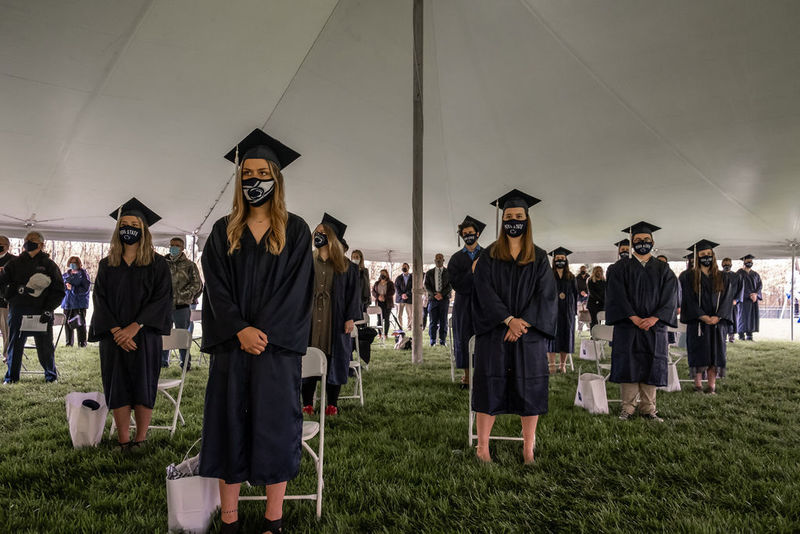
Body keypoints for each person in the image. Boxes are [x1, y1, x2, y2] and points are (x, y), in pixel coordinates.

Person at [198, 129, 313, 534]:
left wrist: (261, 334)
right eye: (247, 173)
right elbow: (215, 287)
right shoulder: (222, 231)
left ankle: (272, 520)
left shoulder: (296, 231)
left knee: (275, 428)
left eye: (262, 172)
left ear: (277, 178)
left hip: (276, 351)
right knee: (229, 424)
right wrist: (240, 330)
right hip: (233, 348)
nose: (254, 180)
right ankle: (228, 519)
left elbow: (297, 290)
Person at [472, 189, 557, 464]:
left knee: (530, 389)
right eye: (509, 216)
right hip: (496, 332)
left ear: (527, 220)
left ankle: (528, 448)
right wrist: (509, 320)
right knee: (489, 386)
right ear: (502, 220)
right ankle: (482, 448)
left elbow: (546, 294)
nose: (513, 221)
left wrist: (522, 324)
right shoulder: (489, 256)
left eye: (519, 216)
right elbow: (484, 292)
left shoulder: (540, 257)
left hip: (528, 335)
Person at [88, 198, 172, 452]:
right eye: (124, 224)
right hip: (113, 339)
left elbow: (162, 299)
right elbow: (99, 299)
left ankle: (141, 439)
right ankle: (124, 439)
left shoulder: (157, 264)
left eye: (134, 224)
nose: (128, 228)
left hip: (144, 336)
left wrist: (135, 327)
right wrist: (116, 330)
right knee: (118, 385)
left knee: (143, 384)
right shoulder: (107, 264)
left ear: (144, 230)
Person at [606, 221, 677, 422]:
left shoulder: (663, 269)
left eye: (646, 240)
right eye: (637, 240)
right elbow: (616, 296)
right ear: (631, 242)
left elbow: (670, 297)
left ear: (652, 242)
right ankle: (627, 408)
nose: (642, 243)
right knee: (628, 363)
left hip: (654, 327)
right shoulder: (619, 268)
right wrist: (634, 317)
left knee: (651, 364)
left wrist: (654, 318)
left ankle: (648, 408)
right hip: (628, 325)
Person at [301, 213, 361, 417]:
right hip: (309, 318)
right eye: (316, 232)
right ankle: (307, 403)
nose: (318, 235)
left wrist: (350, 317)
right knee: (307, 356)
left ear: (332, 237)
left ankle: (332, 404)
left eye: (323, 233)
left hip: (334, 319)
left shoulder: (346, 266)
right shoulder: (306, 260)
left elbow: (354, 294)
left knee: (334, 360)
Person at [0, 231, 64, 384]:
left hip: (41, 310)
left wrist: (49, 309)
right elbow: (2, 282)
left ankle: (50, 376)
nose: (28, 242)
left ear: (41, 244)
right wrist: (9, 296)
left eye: (32, 240)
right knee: (15, 344)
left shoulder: (49, 265)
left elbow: (59, 290)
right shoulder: (14, 263)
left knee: (45, 346)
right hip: (18, 309)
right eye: (26, 240)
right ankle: (11, 377)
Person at [680, 240, 734, 394]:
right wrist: (702, 316)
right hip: (698, 322)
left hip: (717, 323)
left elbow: (727, 299)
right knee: (698, 352)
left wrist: (718, 316)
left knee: (715, 353)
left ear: (713, 256)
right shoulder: (689, 277)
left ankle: (711, 386)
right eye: (703, 254)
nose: (706, 257)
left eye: (709, 254)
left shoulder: (723, 277)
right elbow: (688, 300)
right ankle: (697, 385)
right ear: (697, 257)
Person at [448, 215, 485, 388]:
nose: (468, 236)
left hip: (484, 303)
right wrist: (471, 271)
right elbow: (455, 283)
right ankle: (467, 376)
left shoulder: (487, 255)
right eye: (465, 233)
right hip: (463, 303)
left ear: (477, 234)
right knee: (463, 337)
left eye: (471, 233)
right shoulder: (456, 259)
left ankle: (481, 375)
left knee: (483, 337)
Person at [162, 237, 203, 369]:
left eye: (177, 245)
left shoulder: (190, 265)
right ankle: (163, 362)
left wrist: (185, 295)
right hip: (164, 306)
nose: (174, 247)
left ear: (182, 248)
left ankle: (185, 363)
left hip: (182, 307)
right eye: (172, 245)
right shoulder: (162, 263)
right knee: (164, 334)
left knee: (182, 335)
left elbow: (197, 285)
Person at [547, 247, 577, 374]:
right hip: (552, 311)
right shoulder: (548, 275)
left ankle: (563, 365)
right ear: (554, 260)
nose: (560, 260)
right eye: (558, 258)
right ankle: (552, 364)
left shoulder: (571, 276)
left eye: (562, 259)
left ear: (566, 260)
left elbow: (576, 295)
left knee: (566, 336)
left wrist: (573, 311)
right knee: (552, 336)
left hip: (567, 312)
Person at [61, 256, 91, 347]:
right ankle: (69, 343)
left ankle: (82, 343)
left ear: (79, 264)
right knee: (67, 323)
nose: (72, 264)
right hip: (67, 303)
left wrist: (73, 288)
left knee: (80, 323)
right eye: (71, 262)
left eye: (75, 262)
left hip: (79, 304)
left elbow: (85, 289)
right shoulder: (66, 275)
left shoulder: (84, 275)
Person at [424, 253, 452, 347]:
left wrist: (442, 294)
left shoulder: (448, 272)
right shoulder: (429, 273)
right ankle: (432, 340)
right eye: (437, 258)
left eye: (440, 258)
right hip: (433, 299)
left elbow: (450, 285)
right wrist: (434, 294)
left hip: (444, 299)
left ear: (443, 260)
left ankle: (442, 340)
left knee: (444, 320)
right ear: (434, 260)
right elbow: (426, 285)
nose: (438, 260)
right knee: (433, 320)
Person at [0, 235, 17, 363]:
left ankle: (7, 355)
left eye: (2, 244)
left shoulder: (14, 261)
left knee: (7, 328)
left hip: (5, 300)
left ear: (7, 246)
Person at [736, 254, 761, 341]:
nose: (749, 263)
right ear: (744, 262)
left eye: (750, 261)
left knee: (751, 317)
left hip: (752, 300)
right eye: (747, 261)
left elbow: (759, 286)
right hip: (742, 299)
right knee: (742, 317)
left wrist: (756, 294)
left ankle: (749, 336)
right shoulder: (739, 273)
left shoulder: (755, 274)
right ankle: (741, 336)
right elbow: (736, 286)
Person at [721, 257, 741, 343]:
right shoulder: (719, 275)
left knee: (733, 319)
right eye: (725, 264)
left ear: (731, 265)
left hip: (733, 302)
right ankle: (723, 336)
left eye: (728, 264)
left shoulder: (737, 276)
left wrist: (736, 300)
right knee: (723, 319)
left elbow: (741, 289)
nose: (727, 266)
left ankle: (731, 336)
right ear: (722, 265)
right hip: (722, 302)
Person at [372, 269, 395, 340]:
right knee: (379, 319)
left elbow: (392, 292)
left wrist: (384, 297)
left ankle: (385, 334)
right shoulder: (376, 283)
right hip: (379, 303)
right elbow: (373, 291)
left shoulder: (390, 283)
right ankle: (379, 334)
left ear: (387, 275)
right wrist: (378, 296)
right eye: (381, 273)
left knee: (387, 319)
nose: (382, 275)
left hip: (387, 303)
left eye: (384, 273)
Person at [351, 249, 371, 314]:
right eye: (353, 257)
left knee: (362, 319)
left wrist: (368, 299)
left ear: (360, 258)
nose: (355, 259)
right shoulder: (349, 270)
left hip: (362, 299)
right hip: (352, 299)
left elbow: (367, 285)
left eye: (357, 257)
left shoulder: (365, 271)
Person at [394, 263, 413, 330]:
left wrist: (407, 294)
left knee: (410, 314)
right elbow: (396, 287)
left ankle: (409, 326)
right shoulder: (398, 278)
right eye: (403, 267)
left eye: (405, 267)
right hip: (400, 299)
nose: (404, 268)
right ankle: (400, 326)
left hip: (409, 298)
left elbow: (413, 287)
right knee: (399, 314)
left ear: (408, 268)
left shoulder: (412, 277)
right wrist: (402, 294)